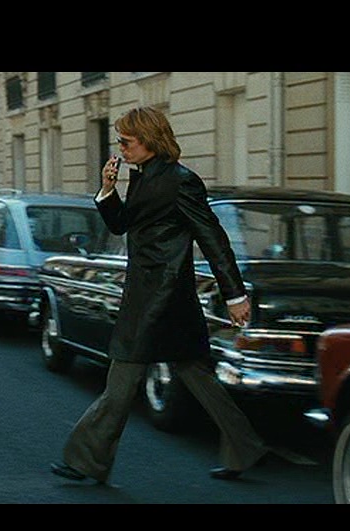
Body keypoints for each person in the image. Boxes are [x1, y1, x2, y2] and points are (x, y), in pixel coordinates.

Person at [49, 106, 270, 485]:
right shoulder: (142, 176)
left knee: (121, 380)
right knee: (198, 378)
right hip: (153, 294)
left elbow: (213, 238)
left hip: (160, 298)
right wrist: (107, 190)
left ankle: (86, 460)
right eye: (120, 141)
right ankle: (245, 447)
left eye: (126, 142)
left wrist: (235, 295)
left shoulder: (181, 181)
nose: (121, 148)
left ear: (150, 140)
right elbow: (122, 225)